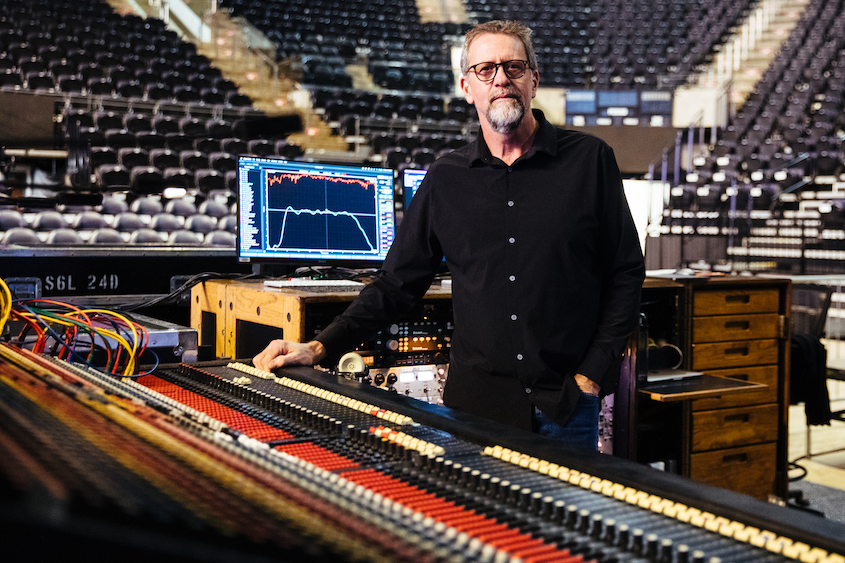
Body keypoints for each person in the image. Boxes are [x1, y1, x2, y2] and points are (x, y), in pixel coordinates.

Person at [253, 20, 646, 450]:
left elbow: (625, 273)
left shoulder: (590, 161)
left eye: (514, 67)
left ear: (534, 79)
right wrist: (318, 347)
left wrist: (590, 376)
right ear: (466, 85)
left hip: (566, 407)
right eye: (486, 70)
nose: (500, 79)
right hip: (474, 408)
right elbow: (397, 286)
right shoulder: (445, 178)